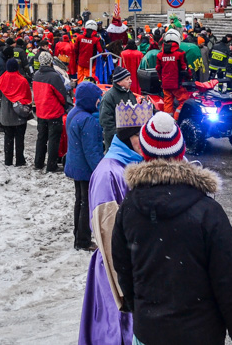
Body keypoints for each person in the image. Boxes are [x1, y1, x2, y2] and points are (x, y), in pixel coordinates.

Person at [112, 113, 232, 345]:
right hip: (200, 333)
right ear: (180, 153)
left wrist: (139, 308)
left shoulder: (129, 209)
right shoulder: (207, 211)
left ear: (144, 155)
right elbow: (231, 280)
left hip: (149, 332)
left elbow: (123, 269)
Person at [78, 99, 148, 345]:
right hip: (115, 272)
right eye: (144, 136)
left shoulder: (131, 164)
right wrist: (124, 290)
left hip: (132, 267)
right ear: (133, 138)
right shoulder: (108, 173)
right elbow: (107, 236)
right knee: (114, 330)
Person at [65, 81, 104, 251]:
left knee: (79, 201)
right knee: (86, 204)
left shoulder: (74, 113)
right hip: (85, 168)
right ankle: (83, 240)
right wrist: (100, 170)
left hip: (75, 164)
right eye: (96, 99)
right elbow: (92, 150)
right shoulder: (88, 120)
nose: (98, 102)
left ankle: (78, 236)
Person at [32, 51, 69, 172]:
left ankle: (38, 162)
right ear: (50, 62)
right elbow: (61, 95)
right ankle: (51, 165)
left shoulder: (36, 75)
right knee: (53, 139)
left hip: (41, 111)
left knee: (41, 138)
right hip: (53, 112)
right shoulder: (54, 76)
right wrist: (64, 105)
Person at [0, 58, 32, 166]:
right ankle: (20, 160)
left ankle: (8, 160)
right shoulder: (22, 80)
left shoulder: (1, 79)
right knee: (20, 139)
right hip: (19, 115)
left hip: (6, 115)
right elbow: (27, 98)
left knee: (8, 138)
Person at [99, 66, 138, 152]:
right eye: (127, 79)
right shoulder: (109, 97)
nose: (130, 81)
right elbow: (105, 121)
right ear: (119, 82)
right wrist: (119, 135)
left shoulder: (129, 93)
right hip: (115, 142)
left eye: (130, 78)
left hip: (130, 140)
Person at [156, 30, 190, 116]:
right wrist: (190, 76)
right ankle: (176, 118)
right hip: (177, 84)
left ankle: (168, 121)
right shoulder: (180, 53)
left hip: (165, 84)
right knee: (184, 101)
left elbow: (158, 69)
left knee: (168, 104)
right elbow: (185, 68)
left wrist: (161, 79)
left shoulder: (160, 54)